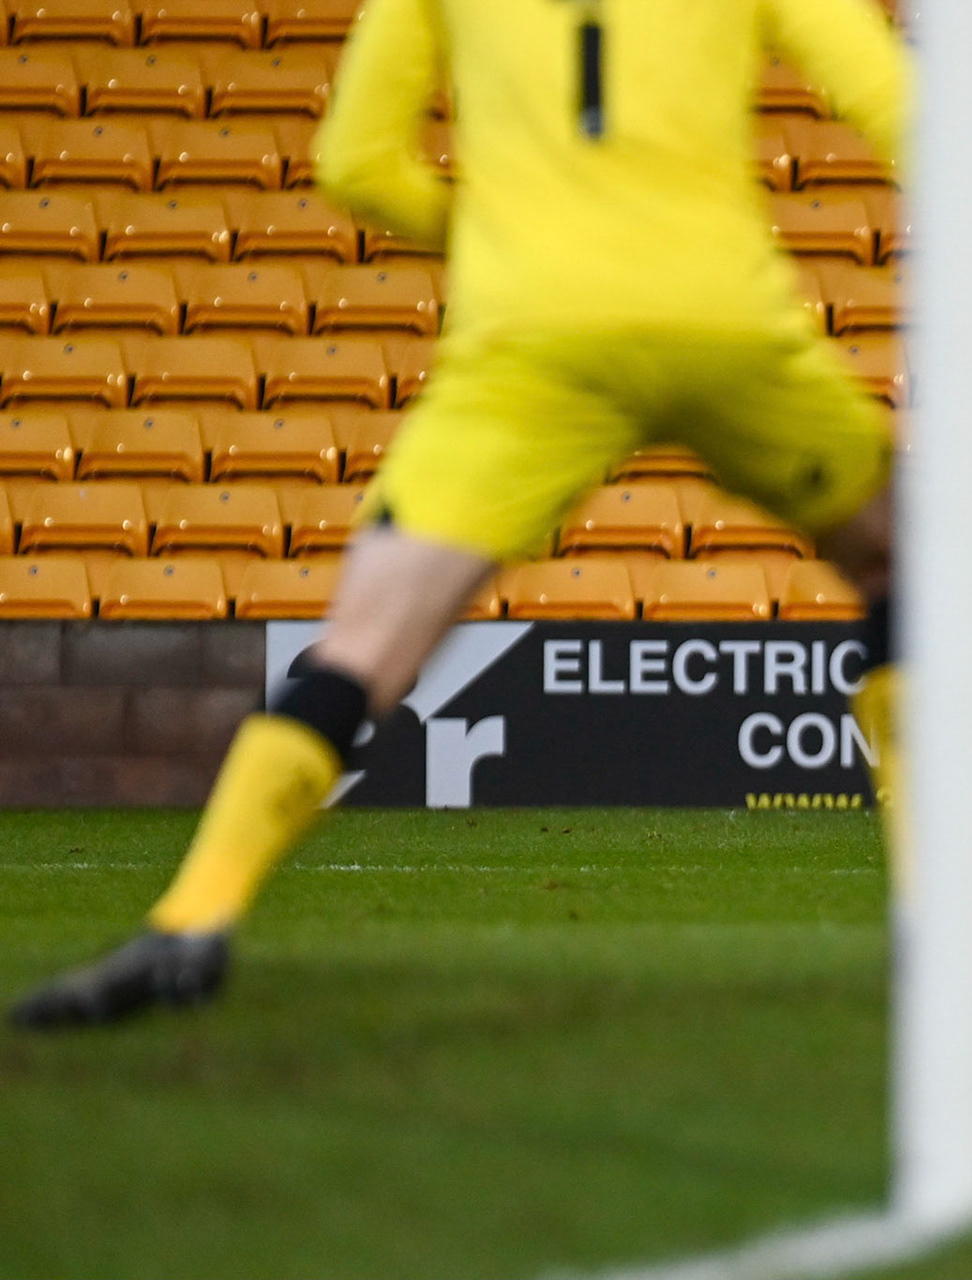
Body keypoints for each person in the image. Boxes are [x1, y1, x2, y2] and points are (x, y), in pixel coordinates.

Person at [13, 0, 910, 1028]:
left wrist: (489, 237)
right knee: (911, 566)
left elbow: (356, 163)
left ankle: (192, 921)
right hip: (721, 317)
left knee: (362, 649)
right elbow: (898, 102)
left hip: (532, 332)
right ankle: (953, 931)